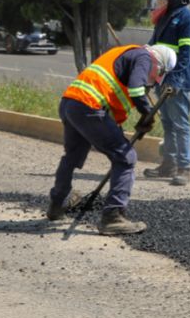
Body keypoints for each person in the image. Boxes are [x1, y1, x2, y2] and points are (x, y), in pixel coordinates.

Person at [47, 44, 176, 235]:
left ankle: (58, 204)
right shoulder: (145, 57)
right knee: (126, 158)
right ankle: (113, 217)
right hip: (89, 106)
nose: (155, 80)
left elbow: (110, 115)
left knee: (72, 156)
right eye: (159, 73)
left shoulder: (126, 56)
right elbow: (136, 89)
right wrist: (147, 112)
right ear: (159, 63)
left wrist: (140, 123)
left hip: (71, 104)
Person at [144, 0, 190, 186]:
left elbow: (186, 54)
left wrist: (175, 80)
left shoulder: (187, 18)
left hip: (178, 82)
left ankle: (184, 168)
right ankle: (169, 165)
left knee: (180, 124)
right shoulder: (164, 17)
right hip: (161, 79)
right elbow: (153, 47)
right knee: (167, 123)